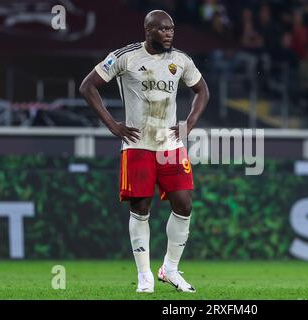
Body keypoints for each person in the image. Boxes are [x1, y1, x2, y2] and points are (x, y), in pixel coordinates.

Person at [79, 10, 209, 293]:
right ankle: (144, 275)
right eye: (163, 29)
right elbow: (88, 86)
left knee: (184, 203)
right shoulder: (125, 57)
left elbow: (202, 91)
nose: (169, 34)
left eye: (172, 29)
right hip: (138, 144)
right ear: (148, 30)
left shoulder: (181, 60)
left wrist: (188, 124)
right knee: (141, 208)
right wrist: (113, 124)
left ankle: (170, 269)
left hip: (171, 145)